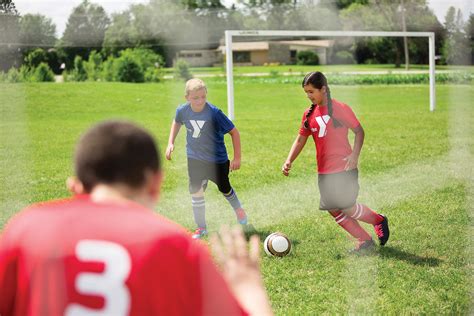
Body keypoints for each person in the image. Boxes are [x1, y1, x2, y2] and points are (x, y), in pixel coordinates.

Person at [0, 120, 272, 316]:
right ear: (156, 184)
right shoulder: (175, 245)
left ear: (75, 186)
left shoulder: (27, 228)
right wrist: (249, 288)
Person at [282, 71, 390, 252]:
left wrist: (355, 156)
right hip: (324, 171)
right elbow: (301, 138)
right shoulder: (309, 114)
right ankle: (365, 241)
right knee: (333, 209)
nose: (309, 96)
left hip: (344, 167)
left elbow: (359, 132)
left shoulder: (340, 108)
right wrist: (289, 160)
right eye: (306, 92)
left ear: (323, 89)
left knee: (346, 207)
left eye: (311, 92)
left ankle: (378, 220)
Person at [166, 78, 248, 239]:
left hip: (217, 160)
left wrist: (237, 157)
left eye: (203, 97)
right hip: (195, 158)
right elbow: (176, 122)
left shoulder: (214, 113)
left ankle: (239, 209)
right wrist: (170, 142)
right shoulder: (182, 111)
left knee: (224, 188)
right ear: (187, 97)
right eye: (196, 98)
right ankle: (201, 228)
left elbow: (234, 132)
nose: (200, 101)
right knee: (196, 192)